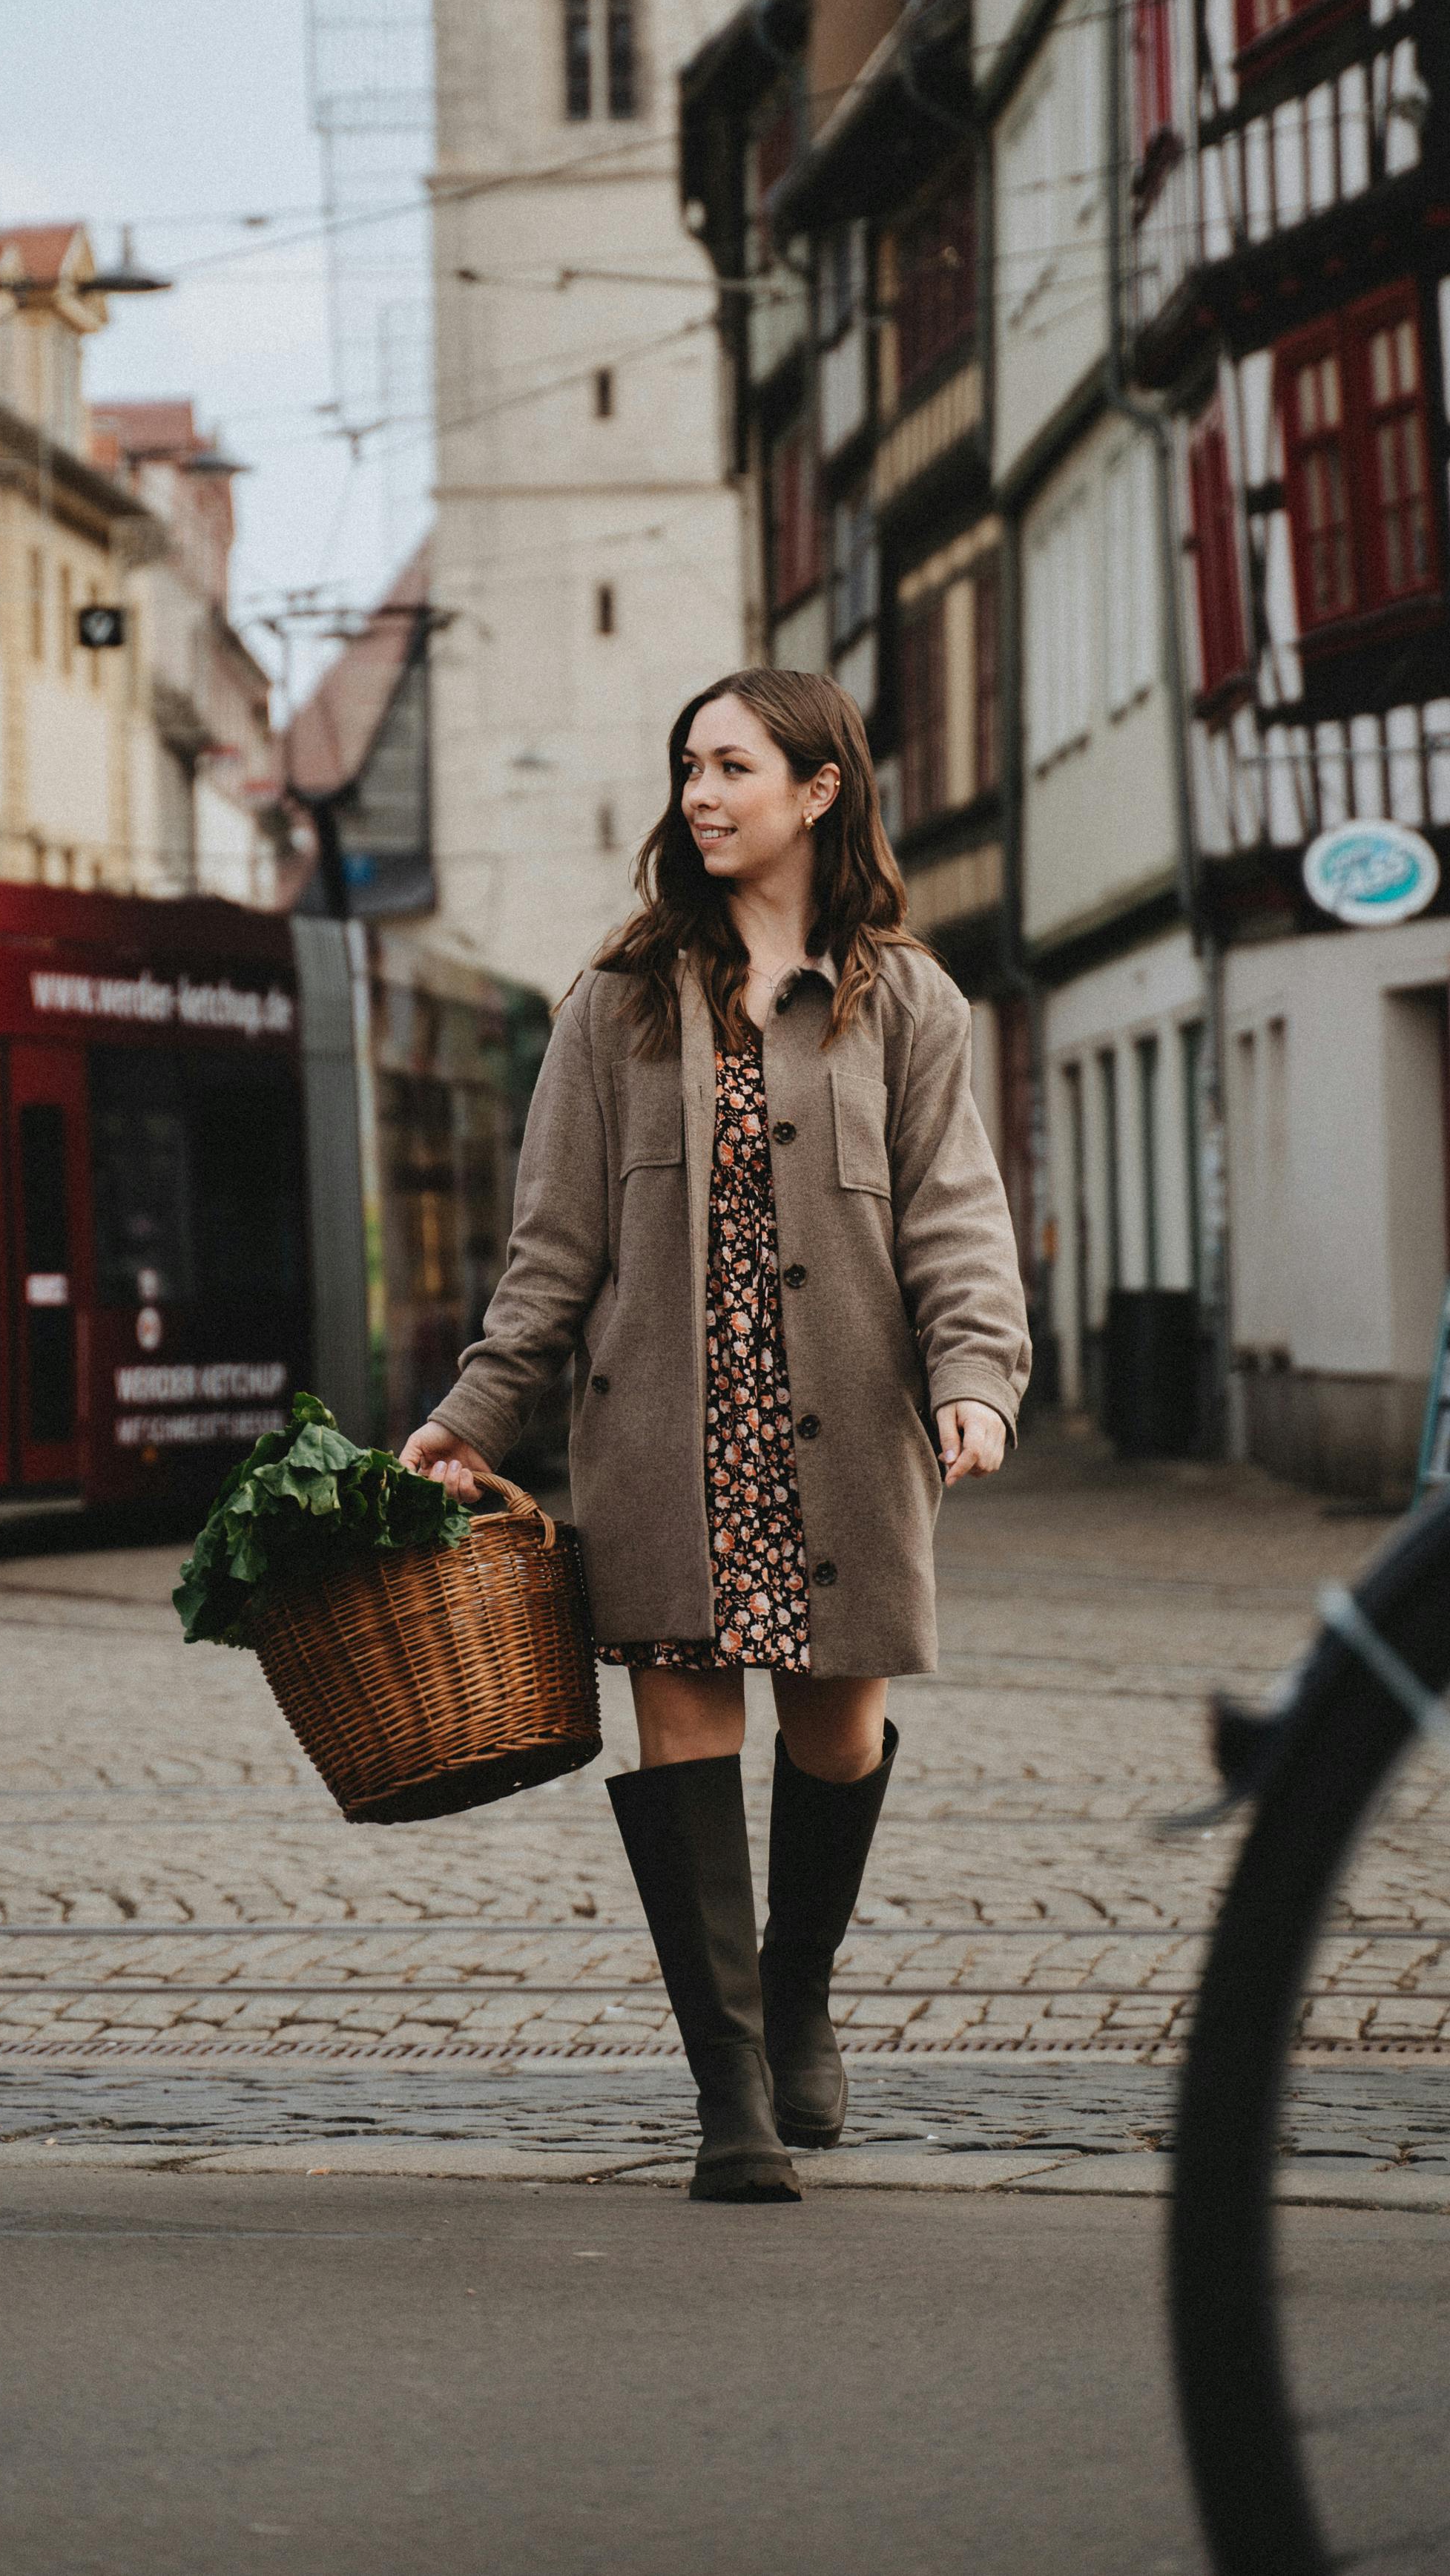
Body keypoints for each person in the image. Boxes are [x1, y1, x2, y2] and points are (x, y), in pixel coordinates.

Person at [402, 668, 1030, 2202]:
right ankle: (730, 2093)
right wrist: (473, 1418)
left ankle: (797, 1982)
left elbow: (956, 1219)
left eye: (735, 765)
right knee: (684, 1739)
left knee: (837, 1735)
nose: (702, 790)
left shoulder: (907, 1000)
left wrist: (978, 1376)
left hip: (847, 1435)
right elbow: (549, 1252)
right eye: (690, 764)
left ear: (818, 790)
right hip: (664, 1434)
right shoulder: (613, 1007)